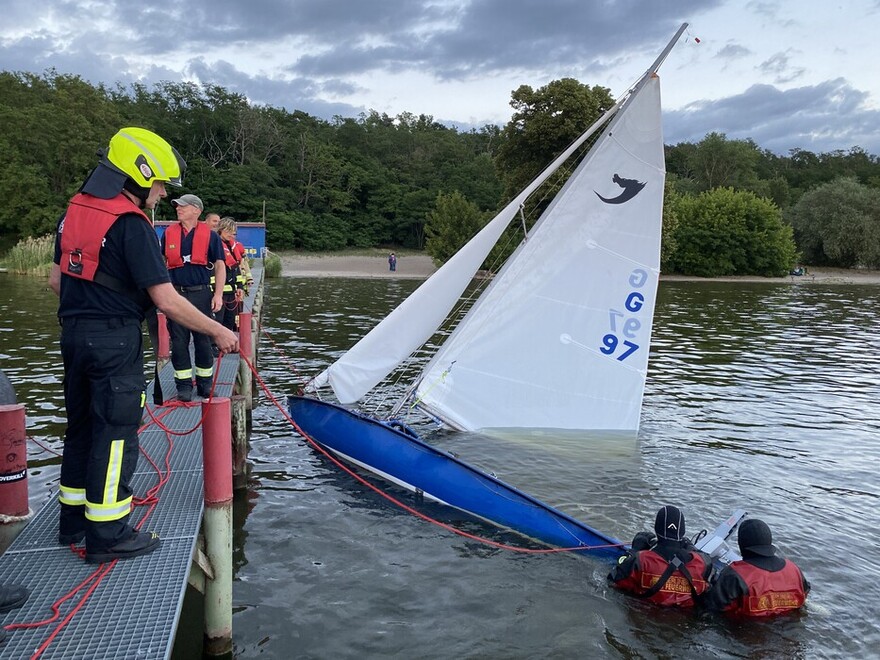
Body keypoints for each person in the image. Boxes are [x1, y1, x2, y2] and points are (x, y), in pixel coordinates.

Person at [49, 127, 238, 564]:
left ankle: (73, 522)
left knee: (80, 428)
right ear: (139, 174)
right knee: (116, 436)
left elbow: (57, 280)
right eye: (158, 185)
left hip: (73, 335)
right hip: (114, 340)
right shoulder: (130, 224)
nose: (160, 195)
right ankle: (108, 533)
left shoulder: (73, 211)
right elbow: (165, 299)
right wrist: (217, 330)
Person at [160, 194, 226, 401]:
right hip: (176, 294)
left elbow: (220, 265)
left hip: (200, 293)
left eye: (183, 206)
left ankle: (205, 385)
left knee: (203, 339)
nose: (178, 209)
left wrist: (218, 295)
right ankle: (184, 386)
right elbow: (161, 263)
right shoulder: (168, 234)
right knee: (179, 341)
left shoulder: (211, 236)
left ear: (196, 210)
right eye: (177, 206)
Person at [608, 505, 713, 607]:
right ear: (682, 531)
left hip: (646, 616)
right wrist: (692, 548)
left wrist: (633, 551)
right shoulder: (703, 563)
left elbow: (613, 580)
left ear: (657, 529)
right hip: (687, 619)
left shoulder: (641, 560)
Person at [703, 518, 809, 616]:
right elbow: (805, 593)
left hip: (744, 632)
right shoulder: (794, 570)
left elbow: (711, 608)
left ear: (741, 545)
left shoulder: (735, 575)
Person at [216, 217, 246, 331]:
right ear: (221, 230)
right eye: (228, 231)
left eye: (233, 233)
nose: (231, 235)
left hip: (231, 292)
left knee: (230, 321)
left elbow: (236, 269)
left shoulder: (232, 247)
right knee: (218, 321)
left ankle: (227, 347)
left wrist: (239, 286)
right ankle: (214, 346)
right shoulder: (215, 244)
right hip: (218, 292)